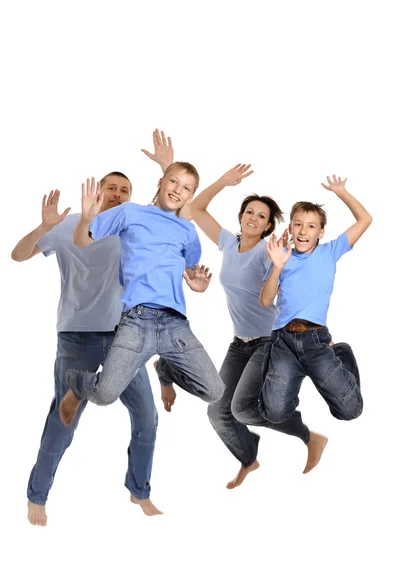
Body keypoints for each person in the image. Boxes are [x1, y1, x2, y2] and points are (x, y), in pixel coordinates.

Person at [11, 129, 174, 524]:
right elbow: (18, 255)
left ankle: (139, 490)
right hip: (77, 336)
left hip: (124, 338)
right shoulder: (67, 224)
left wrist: (168, 167)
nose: (117, 194)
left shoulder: (134, 226)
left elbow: (173, 210)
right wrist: (42, 226)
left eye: (124, 189)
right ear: (98, 192)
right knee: (64, 419)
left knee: (147, 417)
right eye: (111, 188)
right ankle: (37, 495)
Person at [155, 164, 328, 489]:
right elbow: (194, 209)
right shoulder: (228, 244)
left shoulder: (268, 250)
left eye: (262, 216)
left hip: (268, 341)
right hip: (240, 343)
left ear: (269, 226)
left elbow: (290, 278)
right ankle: (249, 458)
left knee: (241, 408)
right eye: (250, 212)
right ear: (241, 216)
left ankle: (308, 436)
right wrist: (221, 181)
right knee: (217, 413)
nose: (254, 218)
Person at [59, 162, 225, 434]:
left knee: (214, 390)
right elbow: (82, 240)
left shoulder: (187, 232)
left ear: (190, 196)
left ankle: (167, 371)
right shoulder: (130, 212)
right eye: (174, 182)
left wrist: (199, 285)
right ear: (161, 182)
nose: (177, 190)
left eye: (186, 188)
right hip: (136, 322)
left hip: (175, 324)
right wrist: (87, 219)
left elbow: (191, 270)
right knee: (105, 395)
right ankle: (77, 382)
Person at [236, 174, 372, 427]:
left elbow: (365, 220)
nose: (303, 230)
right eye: (297, 224)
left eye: (311, 226)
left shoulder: (330, 252)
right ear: (290, 229)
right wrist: (277, 266)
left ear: (320, 232)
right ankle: (291, 370)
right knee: (274, 413)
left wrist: (341, 192)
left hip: (316, 340)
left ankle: (340, 353)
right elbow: (265, 300)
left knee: (350, 411)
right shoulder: (281, 257)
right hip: (283, 341)